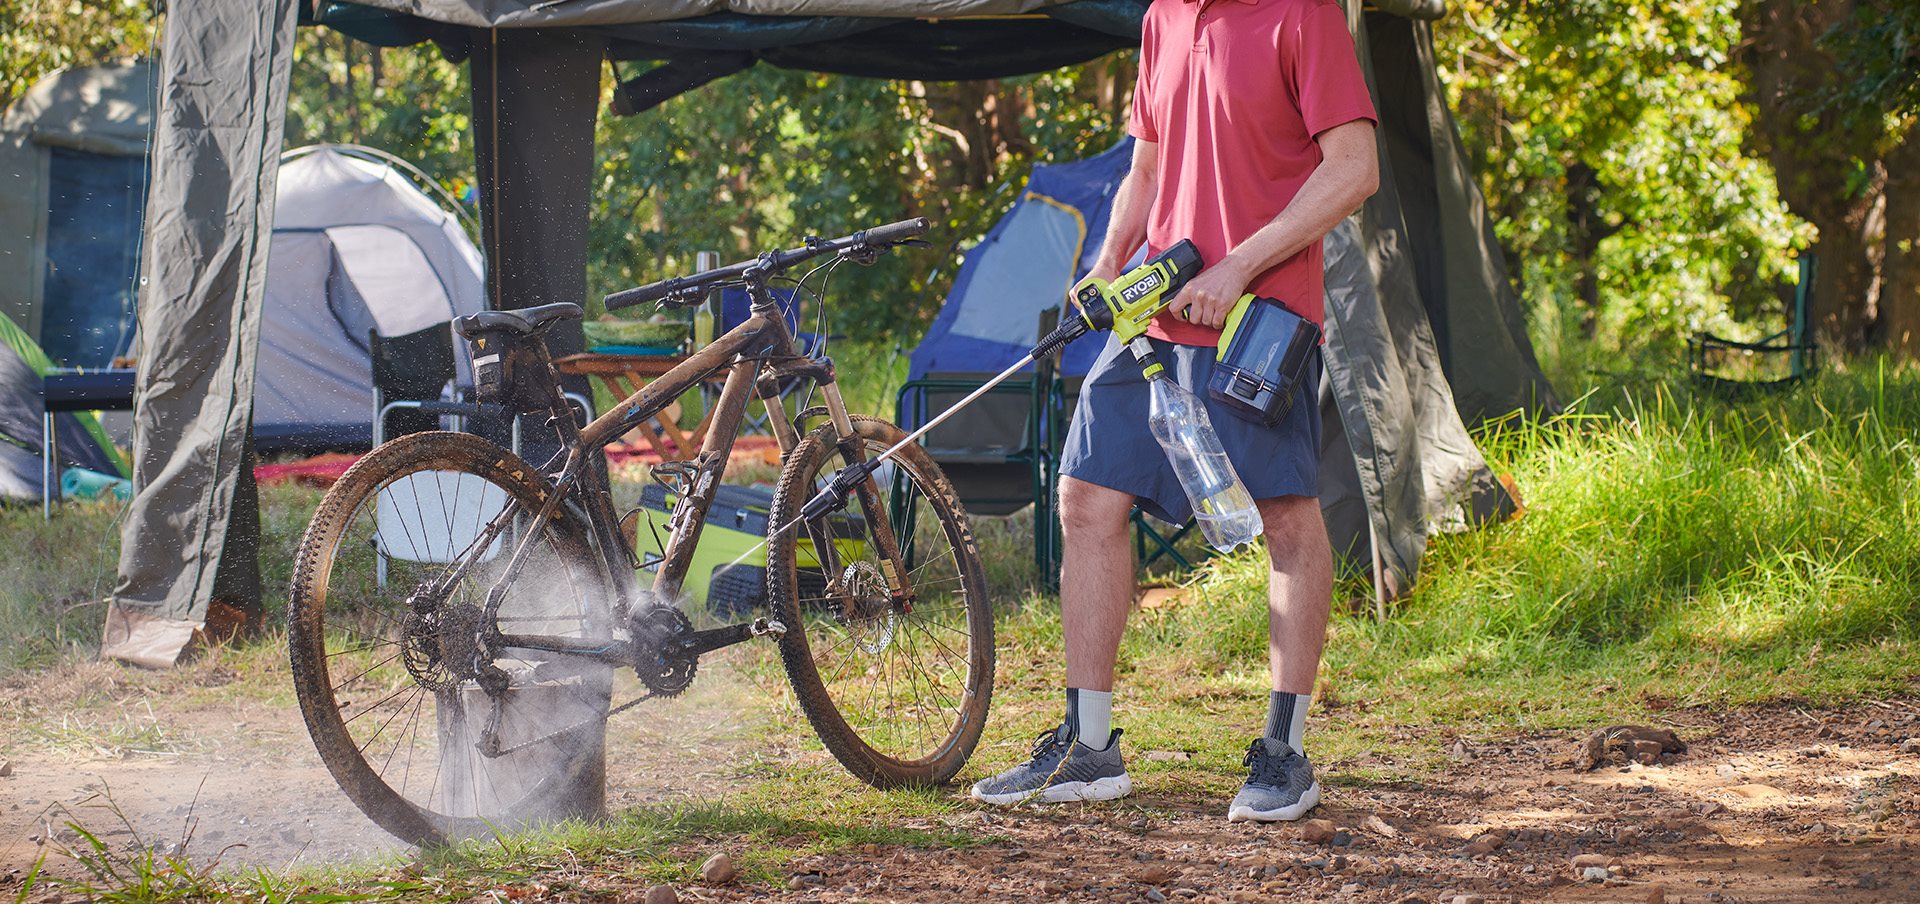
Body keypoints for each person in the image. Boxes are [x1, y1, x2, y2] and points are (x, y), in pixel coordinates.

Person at [970, 0, 1380, 822]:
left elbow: (1354, 167)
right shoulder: (1163, 17)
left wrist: (1240, 266)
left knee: (1287, 519)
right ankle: (1089, 747)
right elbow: (1147, 167)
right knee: (1086, 497)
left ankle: (1285, 751)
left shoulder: (1301, 14)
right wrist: (1108, 259)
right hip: (1152, 306)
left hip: (1260, 315)